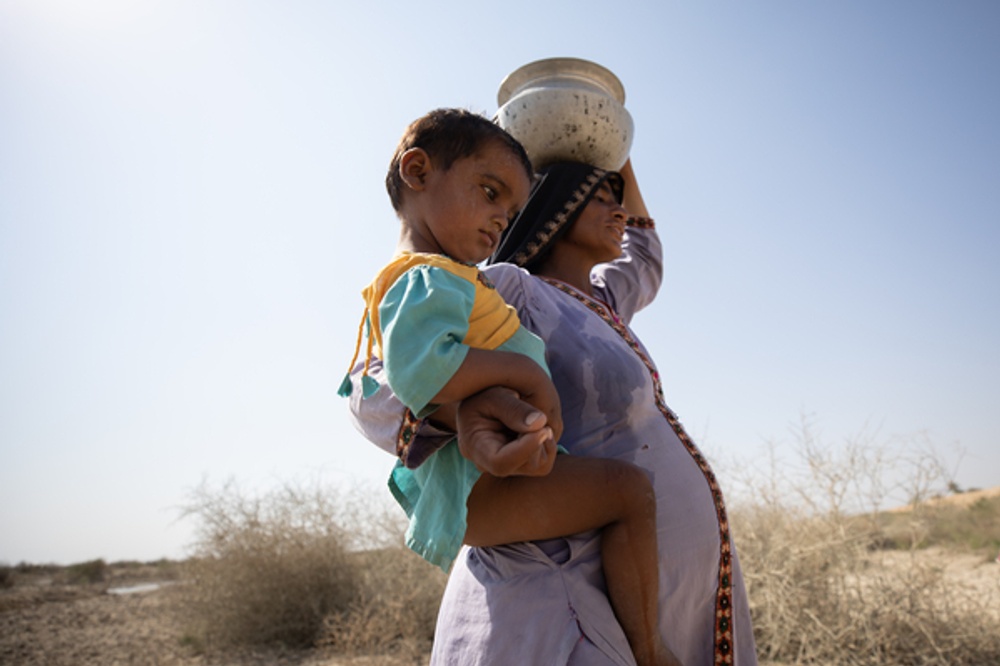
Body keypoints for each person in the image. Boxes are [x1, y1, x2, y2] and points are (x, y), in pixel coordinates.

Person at [349, 155, 758, 666]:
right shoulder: (513, 291)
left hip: (676, 593)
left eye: (620, 200)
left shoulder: (603, 306)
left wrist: (618, 156)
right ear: (559, 209)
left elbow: (646, 259)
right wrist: (467, 412)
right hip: (562, 592)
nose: (619, 212)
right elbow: (374, 381)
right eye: (601, 199)